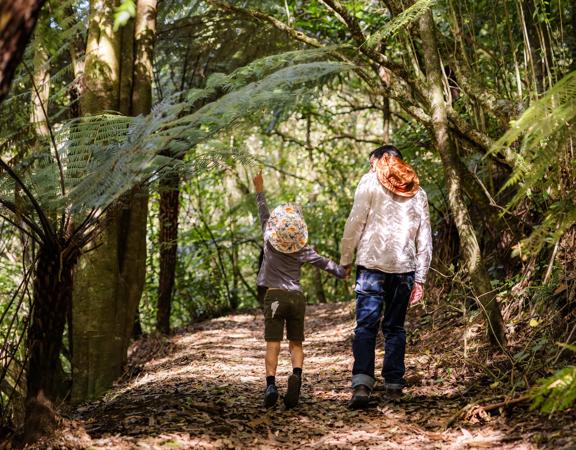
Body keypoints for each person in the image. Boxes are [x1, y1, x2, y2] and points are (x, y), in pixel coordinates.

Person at [340, 145, 433, 409]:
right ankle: (393, 386)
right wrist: (421, 277)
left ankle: (361, 385)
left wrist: (346, 258)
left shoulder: (369, 181)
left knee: (366, 326)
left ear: (384, 160)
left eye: (373, 163)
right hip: (404, 267)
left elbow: (356, 221)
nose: (372, 168)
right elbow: (424, 238)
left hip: (371, 264)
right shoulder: (418, 191)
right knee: (395, 327)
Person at [252, 170, 347, 409]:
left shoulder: (268, 237)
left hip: (274, 297)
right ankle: (296, 375)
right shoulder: (302, 249)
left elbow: (263, 213)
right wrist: (343, 270)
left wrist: (260, 189)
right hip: (296, 298)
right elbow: (325, 264)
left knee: (273, 343)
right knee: (296, 343)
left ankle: (271, 385)